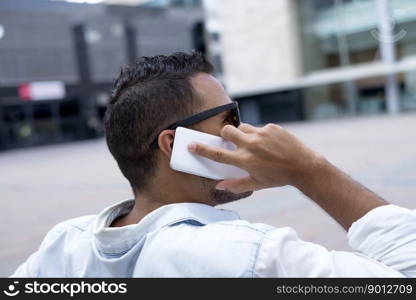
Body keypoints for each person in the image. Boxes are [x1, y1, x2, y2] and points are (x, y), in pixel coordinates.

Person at [11, 52, 416, 277]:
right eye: (229, 118)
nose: (246, 131)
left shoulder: (62, 245)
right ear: (174, 144)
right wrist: (309, 170)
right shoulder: (251, 257)